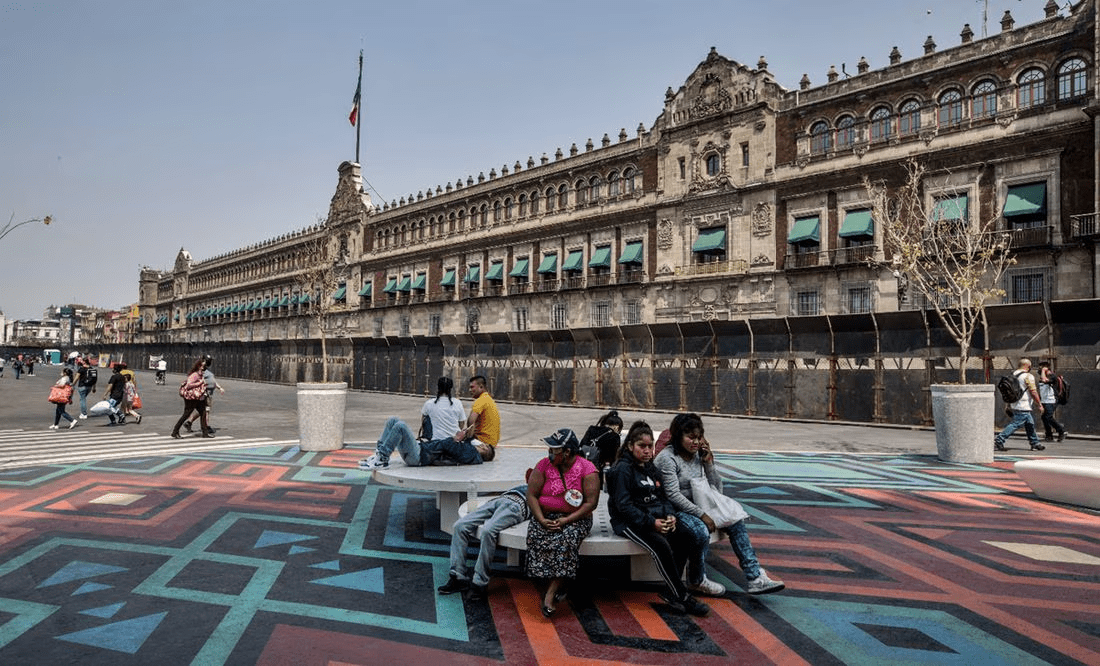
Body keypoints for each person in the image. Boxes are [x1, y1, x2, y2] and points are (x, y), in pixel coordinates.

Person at [654, 413, 785, 596]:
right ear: (678, 436)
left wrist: (709, 464)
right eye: (691, 437)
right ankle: (697, 579)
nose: (696, 442)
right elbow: (672, 495)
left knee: (736, 520)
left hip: (699, 505)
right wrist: (702, 515)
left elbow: (716, 489)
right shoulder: (668, 458)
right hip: (673, 509)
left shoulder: (697, 455)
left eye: (699, 437)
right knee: (700, 530)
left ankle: (755, 577)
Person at [606, 421, 712, 617]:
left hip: (654, 517)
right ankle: (681, 596)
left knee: (687, 536)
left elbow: (663, 497)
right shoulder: (623, 469)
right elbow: (624, 506)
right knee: (660, 546)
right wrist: (651, 523)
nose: (647, 451)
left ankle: (670, 591)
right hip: (628, 522)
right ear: (630, 446)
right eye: (642, 446)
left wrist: (670, 515)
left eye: (650, 446)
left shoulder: (650, 467)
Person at [525, 428, 600, 617]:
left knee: (566, 539)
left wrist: (566, 520)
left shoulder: (587, 469)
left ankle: (550, 593)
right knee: (536, 536)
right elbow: (532, 495)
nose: (550, 454)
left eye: (554, 450)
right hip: (546, 516)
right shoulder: (543, 466)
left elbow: (591, 503)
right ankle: (555, 582)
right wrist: (541, 519)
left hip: (575, 519)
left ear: (567, 452)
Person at [439, 482, 530, 601]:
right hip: (499, 499)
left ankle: (479, 583)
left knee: (488, 531)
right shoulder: (542, 474)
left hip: (517, 506)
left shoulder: (551, 491)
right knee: (459, 526)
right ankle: (458, 576)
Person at [360, 376, 468, 469]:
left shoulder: (429, 404)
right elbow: (461, 424)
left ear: (438, 388)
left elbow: (424, 423)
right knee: (392, 420)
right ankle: (379, 454)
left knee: (400, 425)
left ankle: (382, 458)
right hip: (422, 449)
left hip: (420, 455)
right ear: (451, 389)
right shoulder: (457, 404)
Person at [994, 358, 1045, 452]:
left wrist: (1008, 405)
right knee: (1015, 424)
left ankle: (1035, 443)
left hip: (1014, 403)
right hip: (1024, 405)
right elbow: (1033, 391)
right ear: (1028, 366)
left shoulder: (1012, 375)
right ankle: (998, 441)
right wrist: (1039, 404)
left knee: (1030, 423)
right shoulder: (1028, 376)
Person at [173, 358, 213, 438]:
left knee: (203, 412)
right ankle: (175, 431)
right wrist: (200, 382)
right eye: (202, 365)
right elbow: (189, 385)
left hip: (197, 398)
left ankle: (205, 433)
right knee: (186, 414)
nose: (203, 367)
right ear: (198, 366)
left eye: (204, 366)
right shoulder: (195, 375)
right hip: (191, 398)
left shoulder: (200, 374)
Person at [183, 354, 224, 433]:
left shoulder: (207, 371)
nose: (208, 362)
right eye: (207, 361)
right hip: (205, 394)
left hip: (209, 394)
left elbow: (213, 381)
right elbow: (195, 380)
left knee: (201, 411)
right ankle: (206, 426)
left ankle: (189, 422)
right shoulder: (200, 372)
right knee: (206, 411)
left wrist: (219, 388)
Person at [578, 409, 624, 475]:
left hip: (581, 465)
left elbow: (581, 445)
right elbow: (613, 458)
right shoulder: (614, 436)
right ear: (617, 427)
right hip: (598, 471)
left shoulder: (591, 429)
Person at [1037, 361, 1067, 443]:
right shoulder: (1043, 376)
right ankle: (1049, 435)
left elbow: (1045, 380)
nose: (1039, 369)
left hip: (1051, 400)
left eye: (1042, 367)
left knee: (1048, 417)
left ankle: (1061, 431)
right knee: (1044, 417)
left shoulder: (1052, 376)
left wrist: (1043, 371)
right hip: (1045, 400)